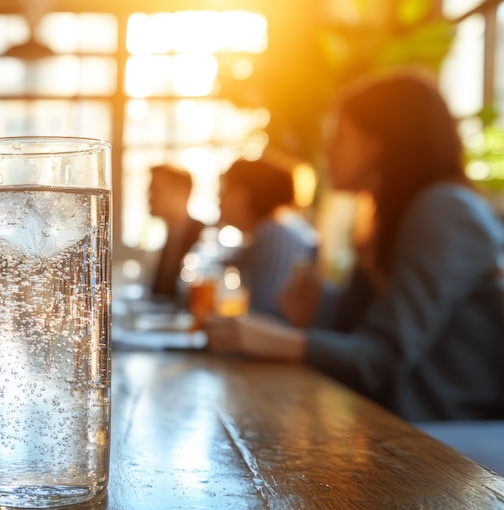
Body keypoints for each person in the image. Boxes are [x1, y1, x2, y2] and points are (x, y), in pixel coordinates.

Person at [206, 69, 504, 421]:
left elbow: (382, 357)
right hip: (405, 427)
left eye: (339, 138)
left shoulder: (444, 210)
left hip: (454, 442)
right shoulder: (387, 219)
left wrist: (276, 340)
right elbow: (360, 341)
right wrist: (312, 313)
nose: (327, 152)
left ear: (378, 144)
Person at [219, 157, 317, 318]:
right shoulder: (278, 231)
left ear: (243, 195)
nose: (219, 197)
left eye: (225, 188)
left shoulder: (273, 236)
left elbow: (265, 314)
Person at [148, 165, 205, 302]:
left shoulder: (204, 238)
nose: (149, 197)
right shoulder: (169, 236)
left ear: (180, 193)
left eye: (156, 190)